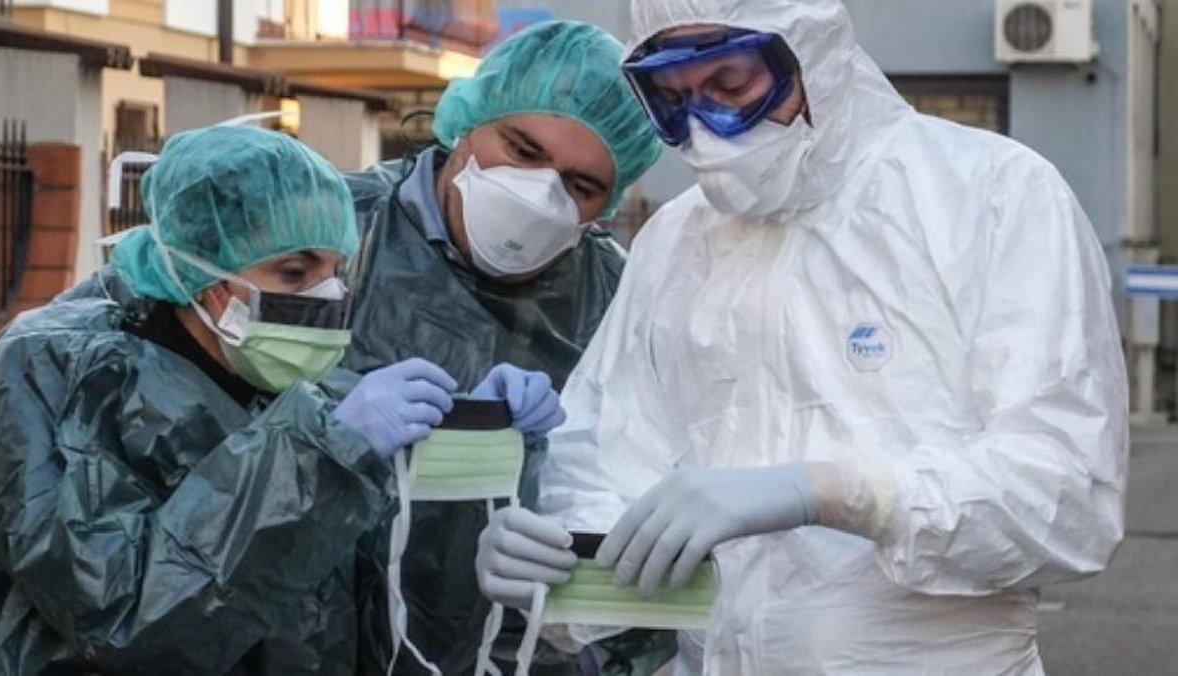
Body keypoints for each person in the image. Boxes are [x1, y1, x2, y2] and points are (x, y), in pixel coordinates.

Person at [474, 1, 1130, 674]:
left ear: (810, 52)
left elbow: (1066, 498)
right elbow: (610, 454)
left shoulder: (989, 195)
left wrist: (844, 494)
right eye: (674, 99)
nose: (704, 130)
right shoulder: (676, 240)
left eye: (731, 86)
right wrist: (562, 557)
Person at [0, 124, 560, 675]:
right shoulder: (58, 370)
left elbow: (380, 599)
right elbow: (122, 616)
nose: (327, 296)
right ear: (206, 273)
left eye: (337, 271)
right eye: (294, 271)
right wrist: (325, 456)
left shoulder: (308, 392)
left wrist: (477, 445)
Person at [341, 20, 674, 676]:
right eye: (522, 149)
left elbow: (640, 495)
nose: (540, 193)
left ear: (607, 203)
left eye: (580, 186)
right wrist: (327, 429)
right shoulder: (338, 233)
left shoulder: (617, 296)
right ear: (467, 123)